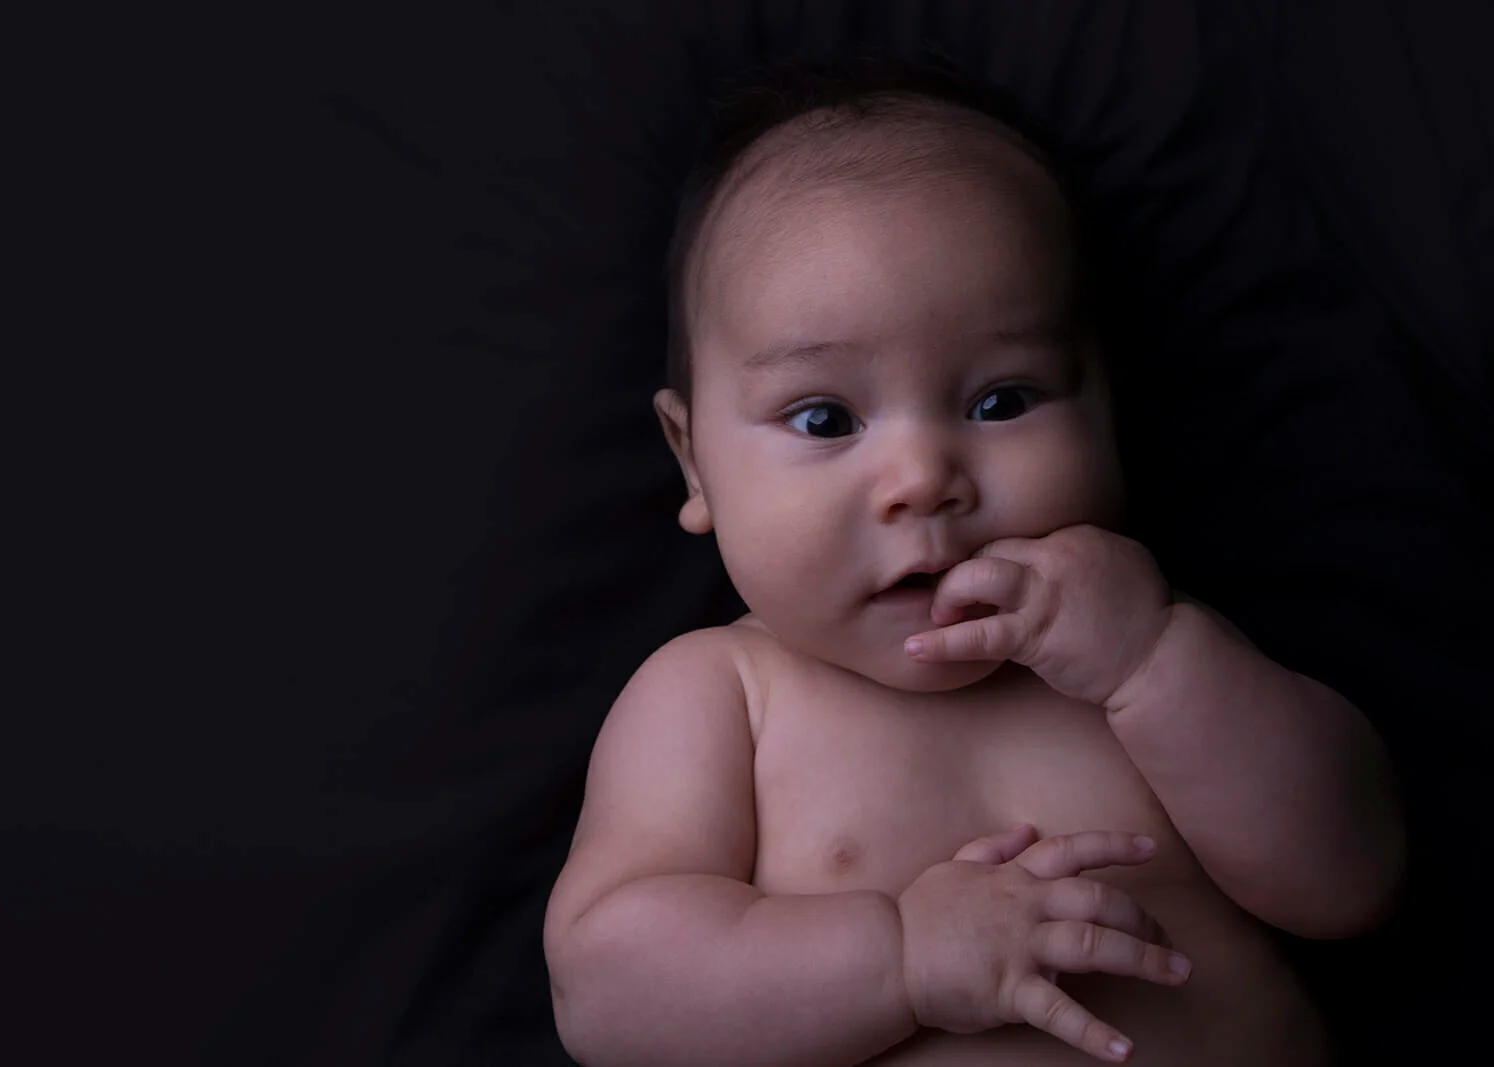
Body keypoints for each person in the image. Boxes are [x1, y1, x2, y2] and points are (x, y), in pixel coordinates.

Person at [543, 59, 1404, 1067]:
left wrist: (1155, 658)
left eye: (1000, 401)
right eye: (825, 418)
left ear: (1106, 410)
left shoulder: (1142, 653)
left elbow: (1351, 878)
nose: (920, 478)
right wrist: (900, 957)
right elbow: (605, 992)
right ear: (693, 459)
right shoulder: (719, 696)